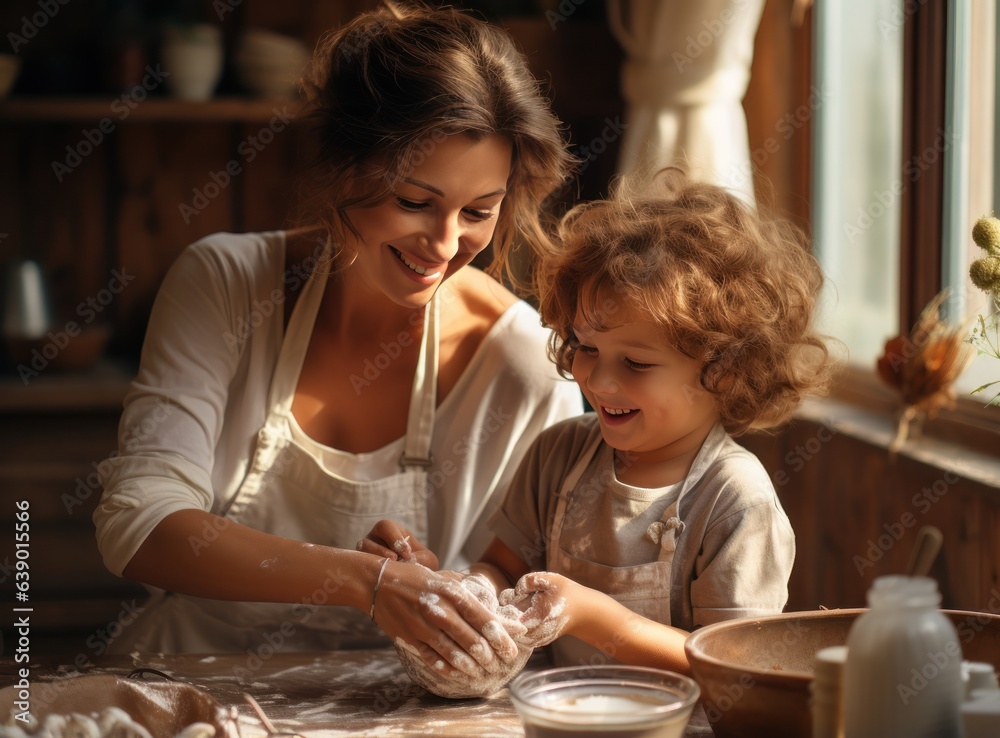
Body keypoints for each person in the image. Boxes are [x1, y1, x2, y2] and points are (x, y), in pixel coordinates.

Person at [93, 2, 583, 674]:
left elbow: (522, 601)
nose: (444, 244)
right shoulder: (227, 283)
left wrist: (448, 591)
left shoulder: (524, 362)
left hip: (399, 710)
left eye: (477, 213)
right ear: (342, 169)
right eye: (414, 201)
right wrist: (366, 581)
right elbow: (138, 523)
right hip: (185, 678)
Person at [363, 169, 831, 676]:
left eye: (636, 363)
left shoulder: (735, 500)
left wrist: (591, 615)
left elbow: (732, 666)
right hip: (565, 715)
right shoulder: (558, 454)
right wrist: (458, 593)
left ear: (725, 371)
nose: (599, 381)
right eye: (585, 347)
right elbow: (501, 568)